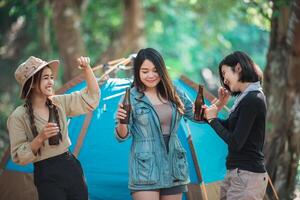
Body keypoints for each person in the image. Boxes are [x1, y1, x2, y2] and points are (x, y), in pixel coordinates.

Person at [7, 56, 100, 200]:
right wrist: (40, 138)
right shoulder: (18, 117)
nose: (51, 81)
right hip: (46, 174)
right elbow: (19, 157)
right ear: (31, 83)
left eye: (51, 77)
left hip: (71, 167)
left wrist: (87, 69)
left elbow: (91, 99)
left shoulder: (59, 102)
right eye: (45, 78)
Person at [115, 48, 198, 200]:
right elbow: (121, 136)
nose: (151, 75)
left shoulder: (174, 92)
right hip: (145, 170)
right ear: (137, 72)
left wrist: (218, 105)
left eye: (155, 70)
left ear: (161, 70)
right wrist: (122, 121)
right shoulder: (130, 97)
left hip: (174, 166)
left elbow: (195, 116)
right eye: (145, 71)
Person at [204, 51, 268, 200]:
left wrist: (213, 120)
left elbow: (235, 142)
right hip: (236, 173)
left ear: (238, 68)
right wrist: (215, 110)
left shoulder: (253, 98)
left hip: (247, 176)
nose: (224, 80)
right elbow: (228, 126)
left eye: (224, 73)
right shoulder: (244, 97)